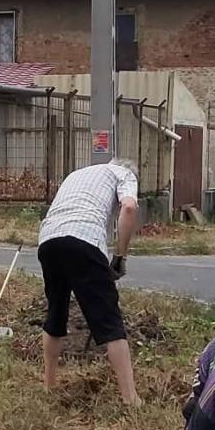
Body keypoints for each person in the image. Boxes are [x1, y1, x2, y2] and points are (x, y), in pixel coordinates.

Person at [37, 159, 141, 405]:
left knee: (55, 314)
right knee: (110, 321)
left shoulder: (78, 174)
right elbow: (129, 208)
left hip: (48, 240)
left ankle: (49, 385)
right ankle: (131, 399)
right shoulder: (124, 174)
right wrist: (120, 256)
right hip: (84, 240)